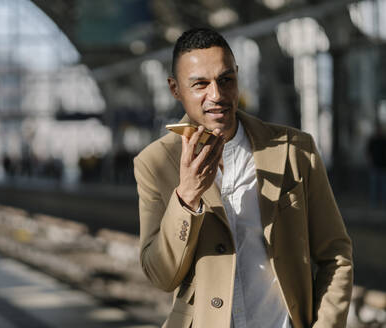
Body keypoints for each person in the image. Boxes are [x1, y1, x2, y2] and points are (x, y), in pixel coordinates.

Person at [133, 28, 353, 328]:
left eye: (226, 80)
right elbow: (161, 275)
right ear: (175, 89)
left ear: (237, 76)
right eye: (200, 84)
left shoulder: (295, 149)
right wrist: (186, 198)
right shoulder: (154, 163)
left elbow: (335, 253)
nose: (217, 95)